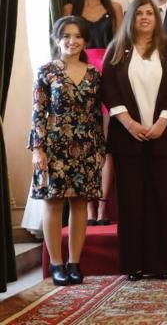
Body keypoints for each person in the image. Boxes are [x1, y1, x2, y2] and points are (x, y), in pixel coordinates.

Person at [101, 0, 167, 281]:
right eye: (139, 13)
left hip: (166, 137)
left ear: (156, 18)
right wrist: (128, 123)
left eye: (150, 13)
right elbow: (109, 89)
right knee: (131, 202)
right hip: (128, 139)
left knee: (165, 201)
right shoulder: (117, 50)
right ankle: (133, 264)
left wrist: (163, 122)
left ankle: (163, 264)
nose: (145, 17)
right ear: (130, 18)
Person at [30, 16, 106, 286]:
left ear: (85, 41)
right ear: (57, 39)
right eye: (66, 36)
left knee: (80, 203)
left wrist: (100, 149)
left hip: (86, 146)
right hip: (53, 146)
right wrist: (37, 149)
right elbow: (38, 112)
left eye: (78, 36)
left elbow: (98, 115)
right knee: (53, 203)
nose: (72, 41)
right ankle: (56, 263)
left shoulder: (94, 73)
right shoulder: (47, 71)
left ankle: (74, 262)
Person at [62, 0, 122, 227]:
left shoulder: (115, 9)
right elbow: (64, 45)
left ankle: (102, 208)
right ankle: (86, 209)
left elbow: (121, 45)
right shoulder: (69, 9)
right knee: (84, 142)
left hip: (107, 74)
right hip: (79, 73)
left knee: (107, 145)